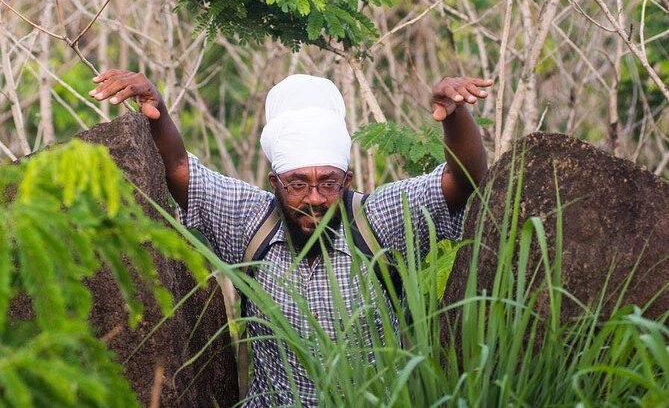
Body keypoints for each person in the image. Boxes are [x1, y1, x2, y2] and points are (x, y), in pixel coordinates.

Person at [89, 70, 491, 407]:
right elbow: (177, 166)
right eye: (298, 183)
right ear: (275, 183)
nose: (314, 199)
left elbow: (462, 178)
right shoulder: (250, 221)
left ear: (346, 180)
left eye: (327, 183)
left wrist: (454, 115)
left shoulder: (378, 220)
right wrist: (157, 109)